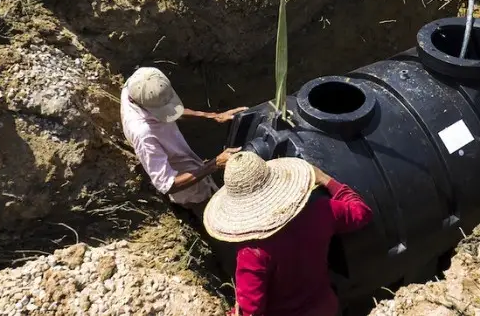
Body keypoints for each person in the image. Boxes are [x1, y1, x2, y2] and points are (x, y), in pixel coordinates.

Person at [203, 151, 373, 316]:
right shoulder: (321, 210)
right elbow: (361, 213)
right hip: (326, 308)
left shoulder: (252, 253)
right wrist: (324, 179)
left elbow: (251, 311)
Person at [120, 66, 247, 214]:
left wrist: (213, 116)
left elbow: (172, 111)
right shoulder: (143, 134)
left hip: (191, 162)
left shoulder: (137, 83)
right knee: (211, 213)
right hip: (188, 190)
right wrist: (214, 164)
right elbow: (167, 185)